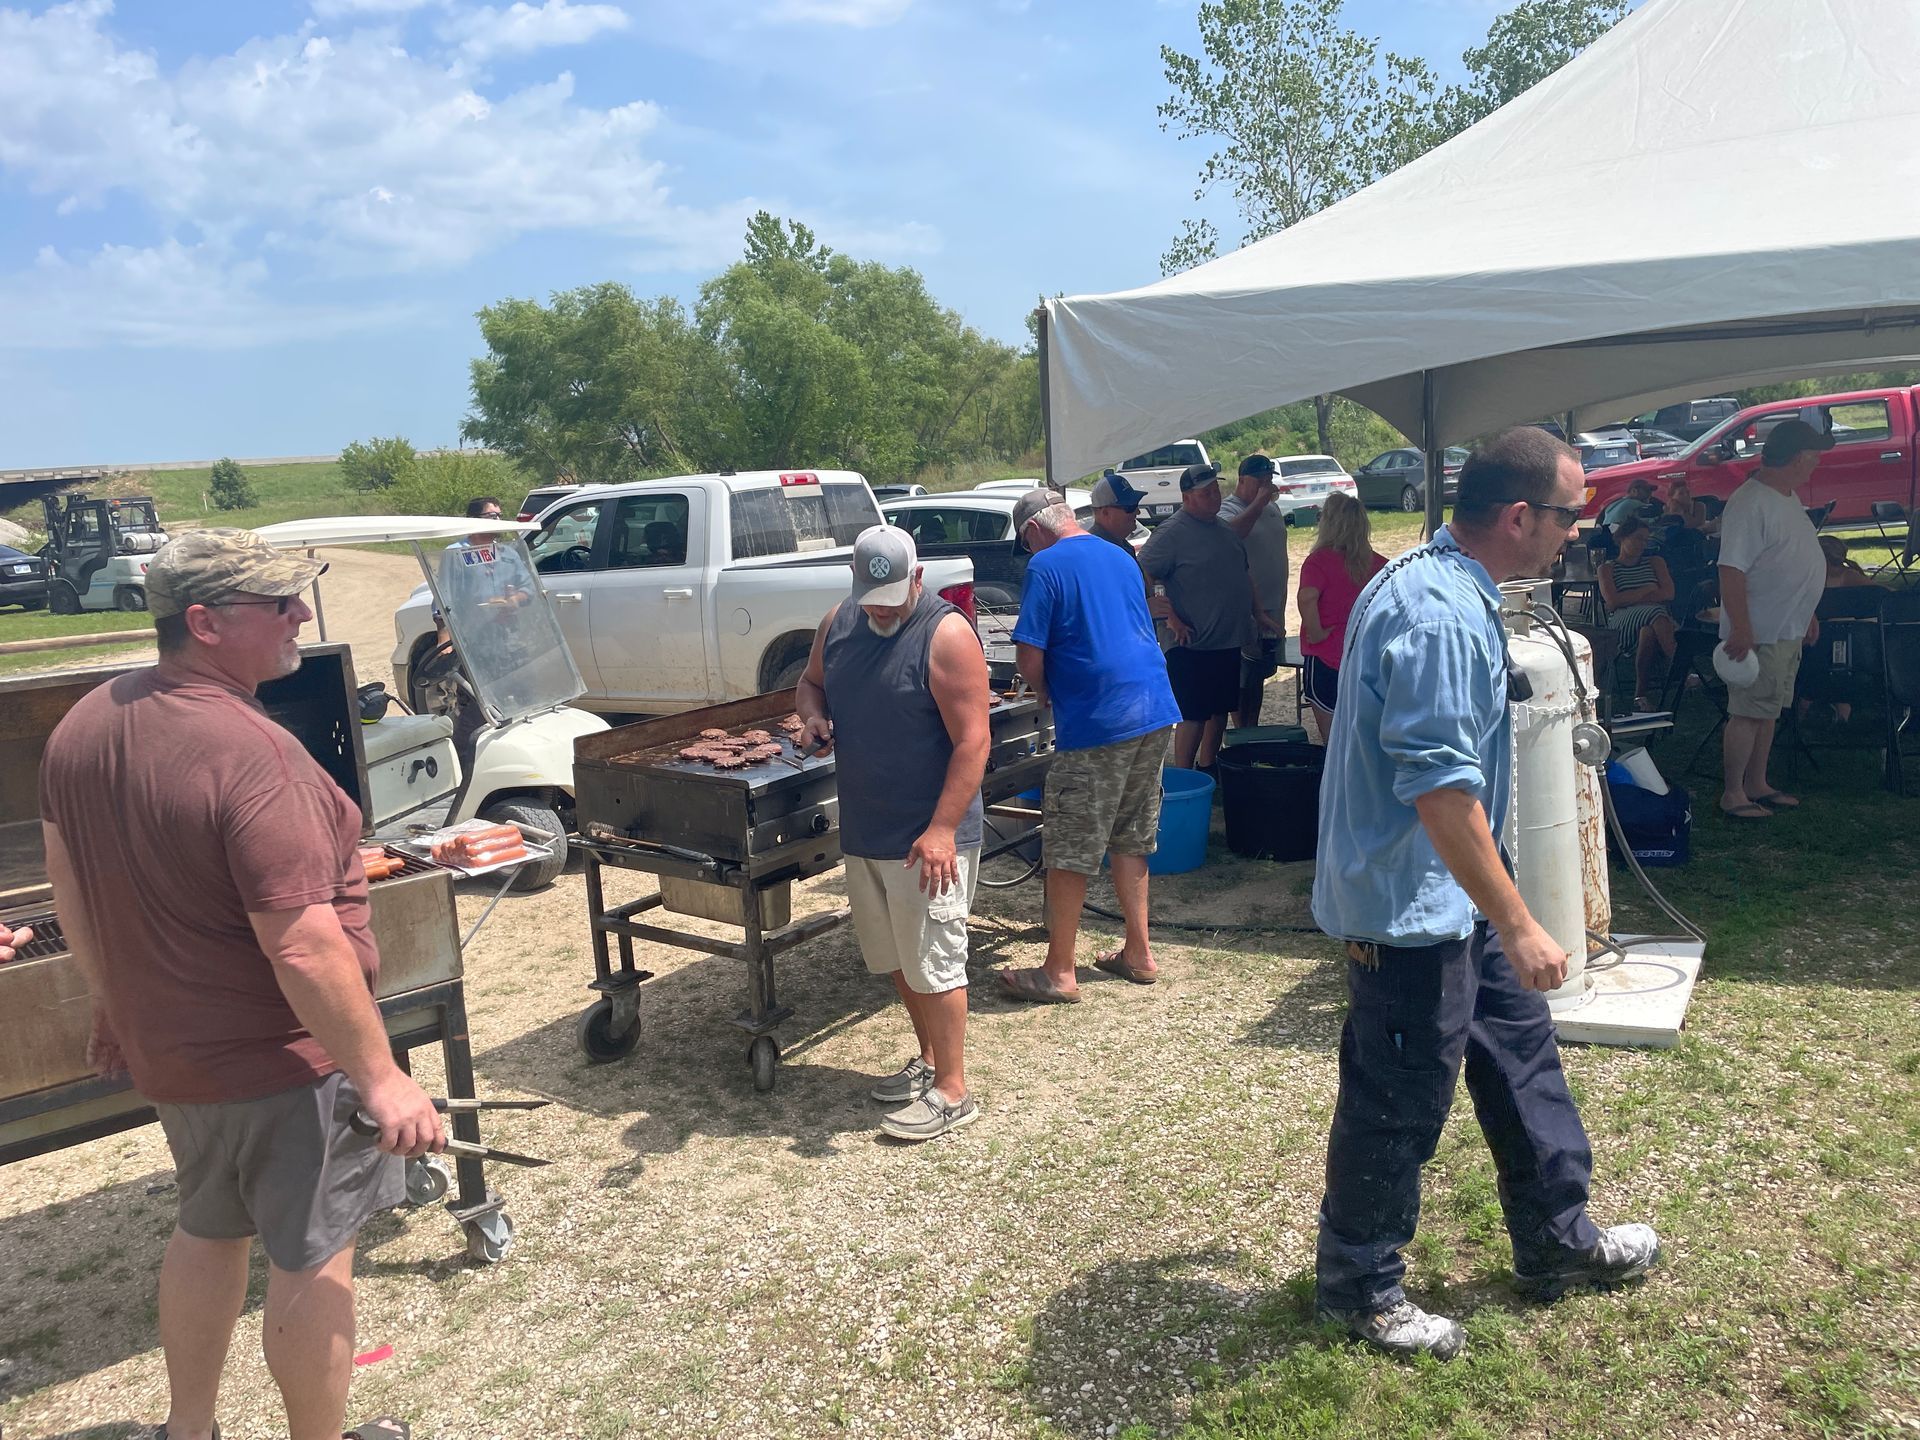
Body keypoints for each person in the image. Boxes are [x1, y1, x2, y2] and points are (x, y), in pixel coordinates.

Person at [38, 528, 445, 1440]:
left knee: (208, 1229)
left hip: (176, 1056)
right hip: (282, 1062)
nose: (302, 613)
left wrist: (112, 1001)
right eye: (279, 603)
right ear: (203, 623)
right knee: (315, 1260)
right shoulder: (250, 754)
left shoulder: (87, 722)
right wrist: (382, 1078)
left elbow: (70, 884)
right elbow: (302, 945)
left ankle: (191, 1431)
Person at [1310, 427, 1660, 1362]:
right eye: (1567, 516)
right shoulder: (1437, 614)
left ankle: (1558, 1239)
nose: (1573, 535)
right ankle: (1360, 1286)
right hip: (1405, 908)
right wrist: (1522, 921)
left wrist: (1500, 913)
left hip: (1454, 897)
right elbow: (1438, 790)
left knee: (1520, 1060)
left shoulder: (1441, 580)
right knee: (1398, 1098)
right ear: (1517, 516)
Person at [795, 525, 991, 1141]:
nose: (880, 607)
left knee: (936, 961)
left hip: (929, 837)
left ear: (917, 578)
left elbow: (973, 740)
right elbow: (811, 684)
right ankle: (930, 1060)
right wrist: (813, 717)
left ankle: (954, 1091)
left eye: (892, 594)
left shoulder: (947, 636)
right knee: (898, 963)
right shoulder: (840, 622)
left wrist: (941, 829)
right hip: (867, 828)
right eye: (869, 595)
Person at [994, 490, 1181, 1005]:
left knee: (1071, 842)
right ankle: (1139, 954)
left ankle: (1058, 971)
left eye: (1026, 544)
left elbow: (1029, 655)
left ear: (1034, 530)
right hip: (1153, 706)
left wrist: (1045, 693)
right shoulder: (1119, 554)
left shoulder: (1047, 565)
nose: (1029, 552)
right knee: (1130, 833)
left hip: (1100, 717)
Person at [1717, 419, 1830, 821]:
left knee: (1768, 711)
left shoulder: (1786, 496)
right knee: (1748, 711)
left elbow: (1789, 560)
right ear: (1799, 458)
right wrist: (1743, 626)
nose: (1816, 464)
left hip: (1786, 627)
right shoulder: (1752, 502)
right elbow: (1731, 569)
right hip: (1759, 632)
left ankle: (1757, 783)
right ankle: (1733, 792)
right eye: (1814, 457)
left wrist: (1806, 609)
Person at [1138, 462, 1276, 773]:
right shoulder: (1172, 532)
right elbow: (1143, 569)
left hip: (1225, 638)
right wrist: (1167, 613)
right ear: (1187, 497)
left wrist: (1258, 612)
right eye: (1207, 493)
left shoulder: (1223, 528)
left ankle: (1209, 767)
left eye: (1216, 490)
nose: (1215, 497)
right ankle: (1185, 775)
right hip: (1191, 640)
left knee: (1219, 711)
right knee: (1194, 714)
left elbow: (1243, 573)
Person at [1295, 493, 1386, 743]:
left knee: (1333, 742)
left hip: (1326, 657)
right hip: (1365, 659)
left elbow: (1306, 597)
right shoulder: (1380, 564)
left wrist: (1315, 632)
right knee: (1364, 741)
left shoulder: (1319, 561)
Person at [1219, 454, 1290, 729]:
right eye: (1259, 481)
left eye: (1268, 480)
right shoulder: (1227, 509)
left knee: (1260, 673)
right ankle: (1240, 732)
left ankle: (1253, 728)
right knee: (1242, 677)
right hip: (1245, 610)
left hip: (1274, 605)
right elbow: (1230, 536)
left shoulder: (1272, 509)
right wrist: (1260, 502)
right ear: (1242, 480)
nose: (1265, 486)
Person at [1598, 516, 1679, 712]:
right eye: (1637, 538)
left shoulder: (1655, 562)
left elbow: (1668, 593)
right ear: (1623, 538)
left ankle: (1640, 695)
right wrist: (1647, 590)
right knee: (1658, 614)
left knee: (1648, 632)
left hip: (1649, 618)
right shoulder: (1607, 568)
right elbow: (1613, 602)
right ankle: (1679, 667)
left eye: (1645, 540)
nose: (1642, 544)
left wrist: (1630, 598)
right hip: (1622, 623)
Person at [1084, 470, 1147, 550]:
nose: (1137, 512)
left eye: (1136, 504)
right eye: (1130, 507)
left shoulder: (1120, 544)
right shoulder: (1095, 550)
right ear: (1105, 513)